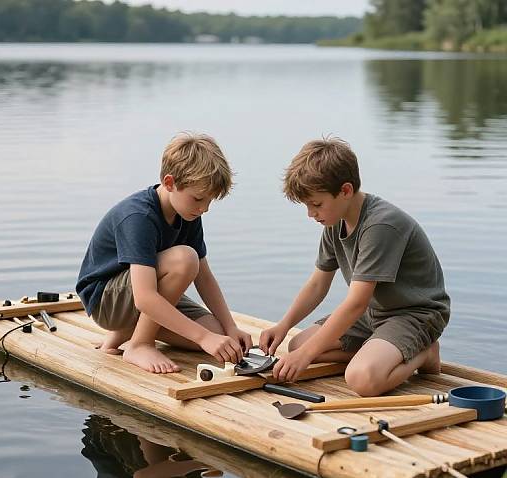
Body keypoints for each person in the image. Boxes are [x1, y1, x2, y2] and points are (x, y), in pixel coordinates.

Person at [259, 137, 450, 396]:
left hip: (414, 314)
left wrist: (306, 356)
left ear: (346, 190)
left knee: (362, 379)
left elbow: (356, 302)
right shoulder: (334, 220)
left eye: (316, 204)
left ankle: (425, 352)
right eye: (307, 206)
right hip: (374, 313)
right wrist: (282, 325)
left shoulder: (380, 225)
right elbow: (317, 284)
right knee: (297, 345)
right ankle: (380, 349)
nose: (311, 214)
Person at [76, 132, 252, 374]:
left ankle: (126, 333)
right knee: (185, 259)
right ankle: (139, 344)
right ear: (170, 183)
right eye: (199, 199)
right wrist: (202, 338)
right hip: (106, 300)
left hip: (141, 292)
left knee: (218, 334)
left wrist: (230, 328)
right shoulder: (138, 217)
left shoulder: (188, 211)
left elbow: (205, 277)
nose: (204, 209)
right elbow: (145, 298)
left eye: (210, 201)